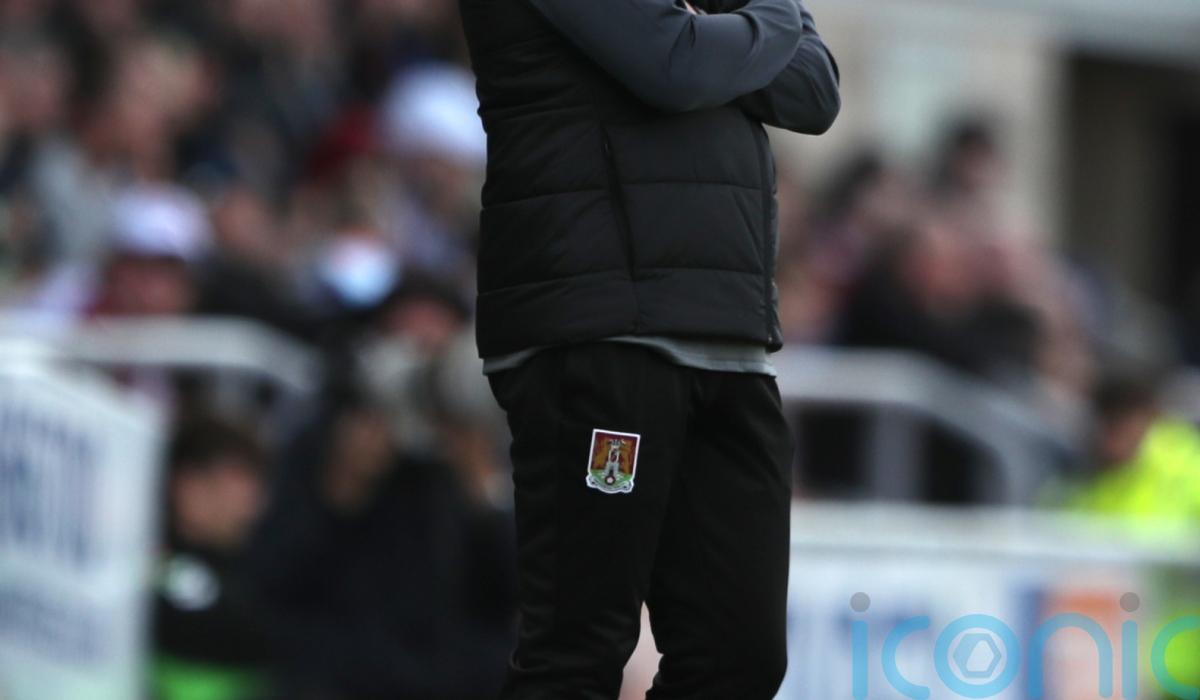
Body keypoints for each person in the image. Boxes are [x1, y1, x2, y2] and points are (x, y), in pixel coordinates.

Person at [458, 0, 840, 696]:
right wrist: (770, 15)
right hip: (600, 330)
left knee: (740, 658)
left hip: (729, 338)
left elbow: (815, 92)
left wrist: (714, 36)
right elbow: (675, 65)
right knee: (577, 653)